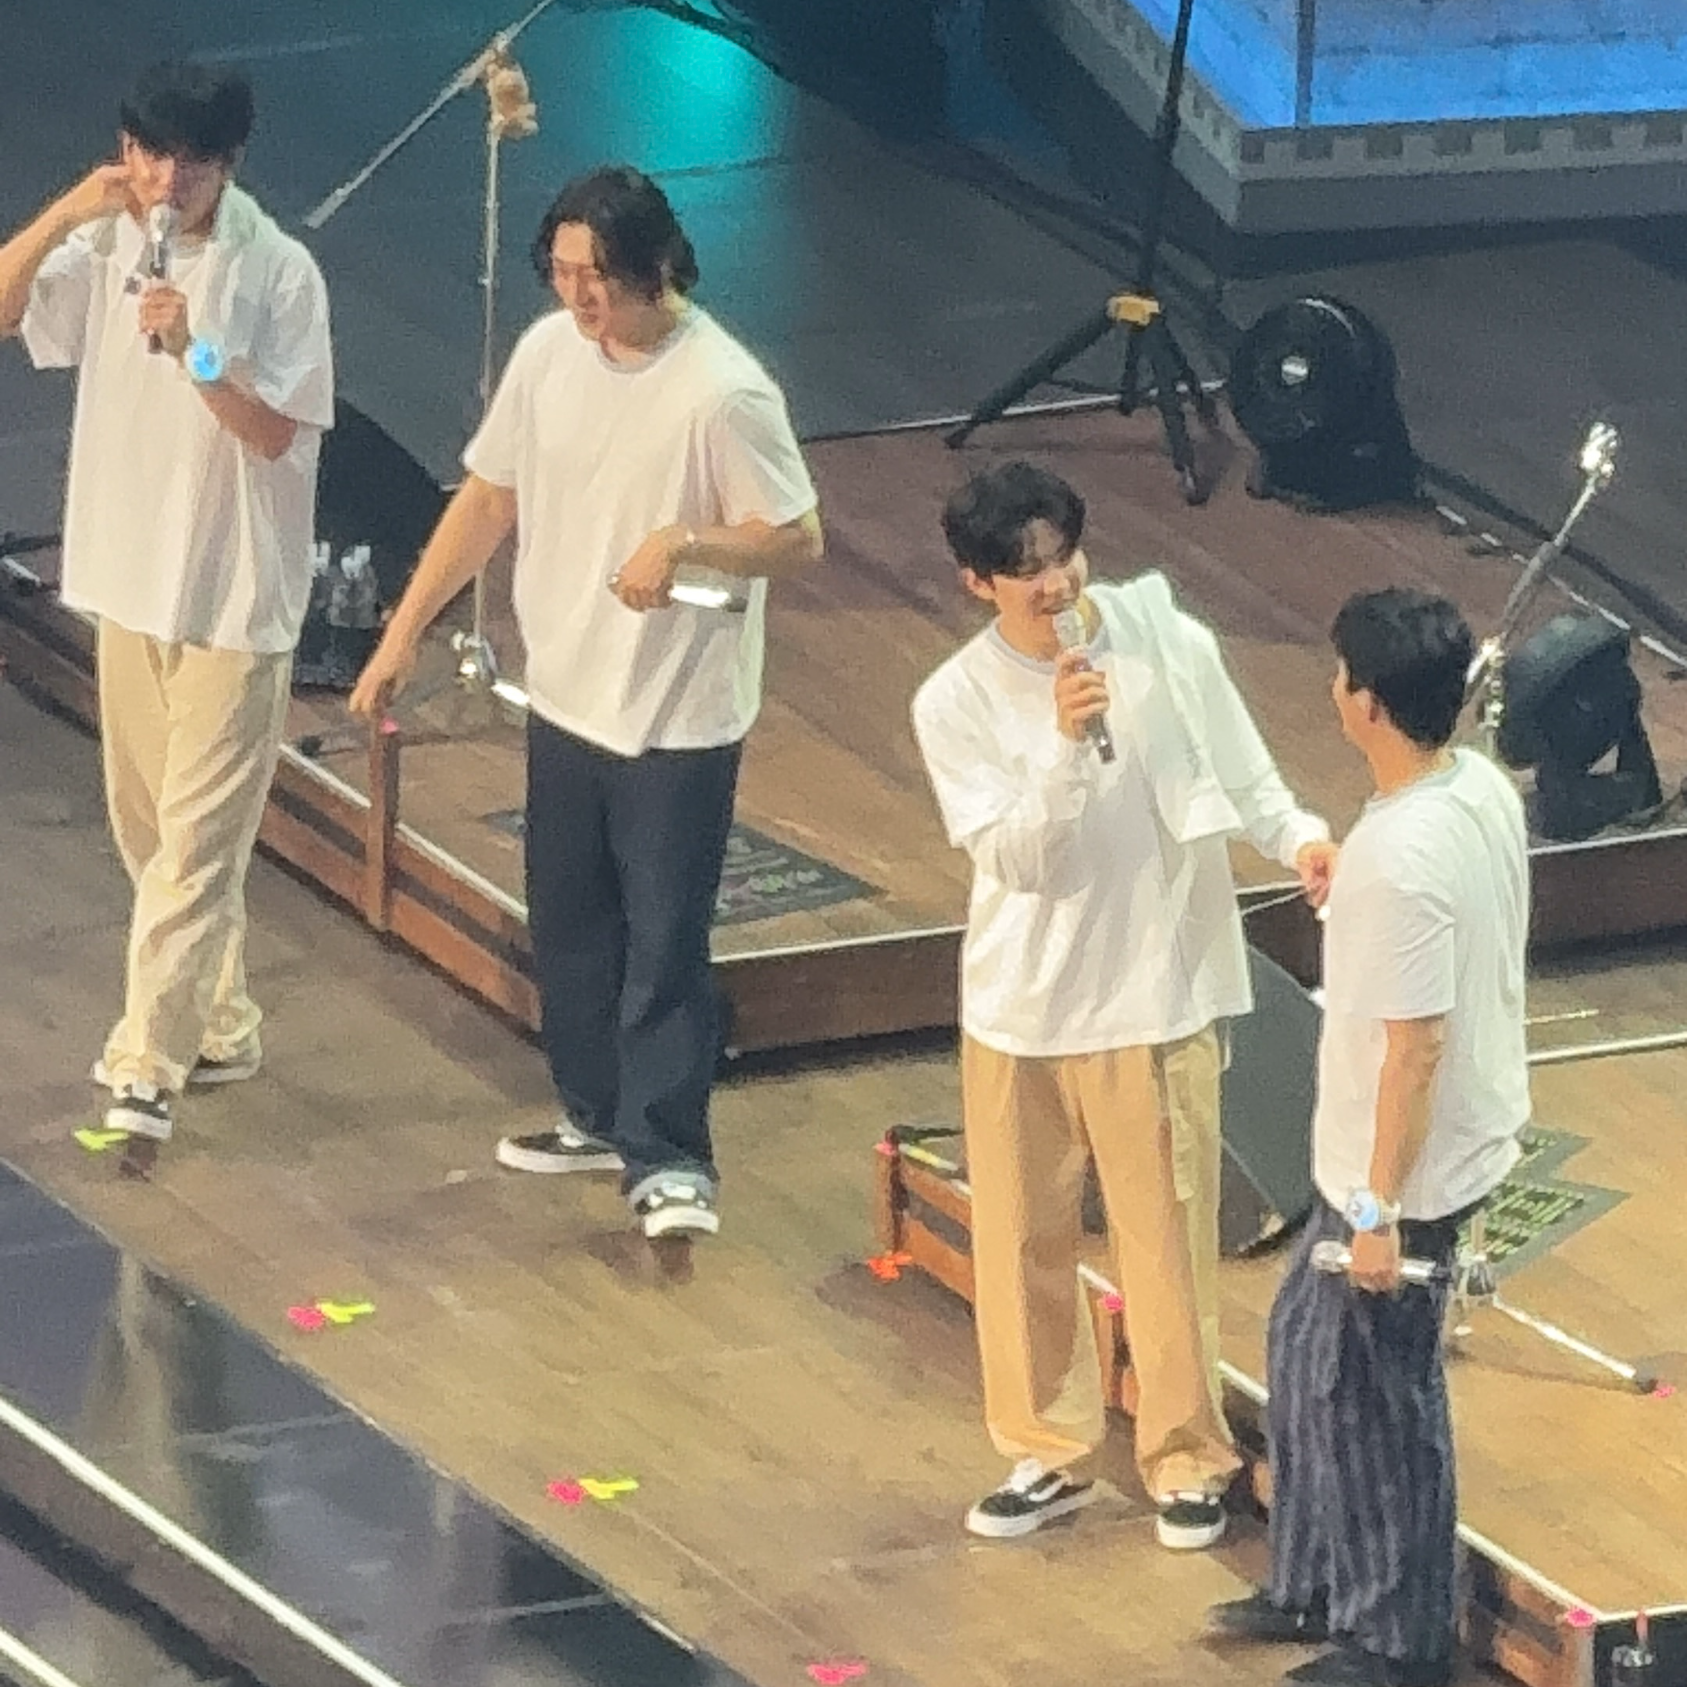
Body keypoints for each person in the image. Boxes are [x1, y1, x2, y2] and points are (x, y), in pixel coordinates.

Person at [349, 166, 821, 1241]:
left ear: (655, 266)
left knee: (664, 938)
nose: (578, 297)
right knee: (568, 920)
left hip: (674, 710)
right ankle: (596, 1114)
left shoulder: (723, 390)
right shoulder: (546, 355)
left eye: (597, 276)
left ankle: (671, 1156)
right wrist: (405, 629)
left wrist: (686, 541)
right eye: (562, 273)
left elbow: (795, 537)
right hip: (566, 689)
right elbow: (489, 495)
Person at [911, 461, 1335, 1550]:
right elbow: (1020, 861)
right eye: (1025, 572)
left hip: (1152, 995)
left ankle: (1187, 1454)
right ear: (976, 583)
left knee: (1168, 1240)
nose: (1054, 586)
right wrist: (1062, 746)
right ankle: (1046, 1448)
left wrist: (1299, 840)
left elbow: (1245, 774)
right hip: (1021, 1004)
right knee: (1024, 1239)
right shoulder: (953, 701)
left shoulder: (1163, 640)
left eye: (1063, 559)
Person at [0, 62, 334, 1143]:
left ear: (228, 164)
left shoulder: (279, 271)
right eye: (148, 154)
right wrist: (66, 213)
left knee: (194, 849)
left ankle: (146, 1065)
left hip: (234, 598)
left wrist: (195, 349)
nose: (164, 179)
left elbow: (275, 431)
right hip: (127, 579)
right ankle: (222, 1022)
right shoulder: (107, 242)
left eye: (189, 162)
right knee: (148, 834)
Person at [1206, 589, 1529, 1687]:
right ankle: (1311, 1576)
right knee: (1303, 1354)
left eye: (1342, 674)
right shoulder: (1471, 786)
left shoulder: (1400, 858)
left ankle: (1399, 1639)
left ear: (1370, 703)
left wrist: (1379, 1212)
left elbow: (1413, 1049)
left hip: (1401, 1174)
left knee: (1380, 1400)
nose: (1332, 687)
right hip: (1409, 1148)